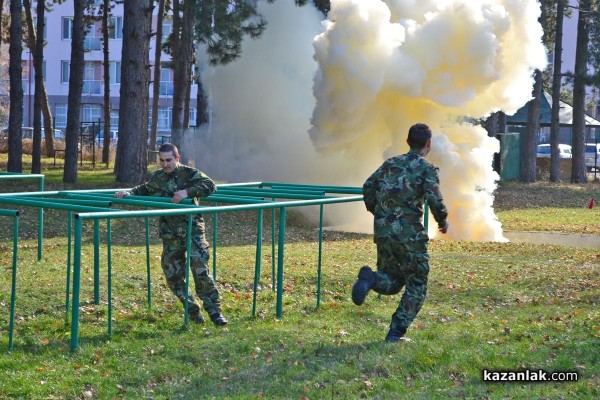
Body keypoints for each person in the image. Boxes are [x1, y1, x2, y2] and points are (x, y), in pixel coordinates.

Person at [352, 123, 448, 342]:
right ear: (428, 144)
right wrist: (442, 221)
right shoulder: (426, 168)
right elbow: (435, 198)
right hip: (409, 235)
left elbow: (368, 186)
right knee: (417, 282)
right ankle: (396, 333)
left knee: (393, 280)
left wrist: (378, 211)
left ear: (407, 142)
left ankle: (371, 279)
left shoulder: (391, 163)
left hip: (384, 232)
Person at [115, 143, 227, 326]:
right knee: (173, 276)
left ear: (177, 158)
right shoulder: (158, 177)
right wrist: (128, 192)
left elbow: (210, 185)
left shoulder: (190, 174)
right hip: (170, 234)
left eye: (169, 160)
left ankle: (215, 312)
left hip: (192, 231)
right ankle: (193, 311)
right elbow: (144, 188)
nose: (165, 164)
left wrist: (187, 191)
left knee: (200, 272)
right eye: (162, 160)